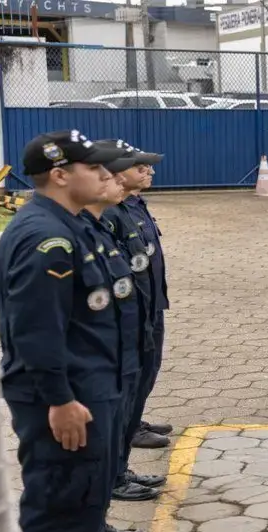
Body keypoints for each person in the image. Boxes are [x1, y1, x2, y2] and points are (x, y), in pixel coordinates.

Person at [0, 129, 132, 532]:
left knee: (81, 497)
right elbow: (35, 331)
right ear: (59, 175)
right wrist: (60, 399)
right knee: (60, 498)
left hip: (88, 386)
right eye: (91, 168)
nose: (103, 174)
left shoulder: (68, 223)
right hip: (63, 395)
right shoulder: (45, 236)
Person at [73, 140, 154, 532]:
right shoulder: (51, 238)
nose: (110, 180)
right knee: (74, 473)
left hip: (110, 359)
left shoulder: (97, 225)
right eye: (102, 173)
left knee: (96, 461)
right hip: (81, 376)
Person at [119, 141, 172, 453]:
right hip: (134, 309)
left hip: (151, 303)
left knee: (150, 367)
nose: (149, 171)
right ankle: (128, 427)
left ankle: (133, 420)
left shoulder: (136, 203)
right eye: (141, 167)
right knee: (136, 370)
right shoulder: (113, 211)